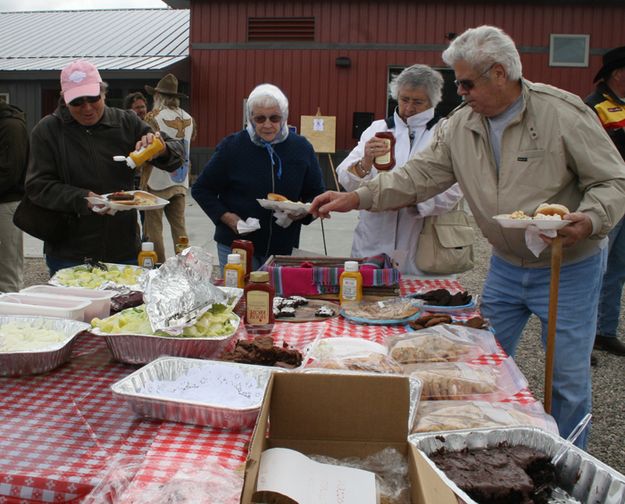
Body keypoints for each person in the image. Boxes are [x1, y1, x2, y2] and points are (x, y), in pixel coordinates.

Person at [310, 25, 625, 447]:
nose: (459, 92)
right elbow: (419, 176)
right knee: (472, 361)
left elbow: (612, 181)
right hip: (506, 266)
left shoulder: (563, 113)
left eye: (466, 82)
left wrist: (589, 219)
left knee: (565, 377)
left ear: (500, 73)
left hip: (566, 266)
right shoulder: (461, 125)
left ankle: (569, 462)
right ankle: (486, 446)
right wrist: (359, 196)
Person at [25, 59, 185, 276]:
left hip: (123, 247)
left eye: (93, 99)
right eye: (77, 102)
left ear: (104, 94)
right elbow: (37, 186)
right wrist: (85, 199)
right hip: (69, 252)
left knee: (124, 309)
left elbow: (177, 155)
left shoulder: (126, 122)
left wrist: (161, 149)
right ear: (64, 100)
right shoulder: (47, 131)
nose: (87, 108)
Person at [336, 64, 463, 274]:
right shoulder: (378, 129)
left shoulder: (444, 133)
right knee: (369, 300)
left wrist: (412, 202)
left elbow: (456, 186)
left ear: (432, 101)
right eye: (404, 99)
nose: (409, 108)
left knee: (416, 301)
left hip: (419, 239)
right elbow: (345, 179)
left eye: (418, 102)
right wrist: (365, 162)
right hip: (372, 239)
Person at [192, 83, 325, 270]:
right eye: (260, 118)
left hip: (283, 246)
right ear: (250, 118)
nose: (267, 124)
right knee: (240, 297)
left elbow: (316, 193)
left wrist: (302, 213)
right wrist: (229, 218)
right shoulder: (232, 147)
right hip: (236, 245)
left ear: (284, 117)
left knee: (277, 298)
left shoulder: (301, 148)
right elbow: (202, 189)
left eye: (274, 118)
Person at [586, 46, 625, 358]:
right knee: (593, 270)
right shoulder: (594, 107)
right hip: (606, 200)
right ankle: (582, 340)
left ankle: (605, 331)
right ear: (617, 73)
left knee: (618, 268)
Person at [141, 74, 196, 262]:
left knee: (153, 228)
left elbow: (148, 148)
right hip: (180, 178)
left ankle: (158, 266)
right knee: (179, 227)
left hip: (156, 179)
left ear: (158, 96)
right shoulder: (189, 118)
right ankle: (184, 265)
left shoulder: (153, 117)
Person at [0, 101, 28, 292]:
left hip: (6, 204)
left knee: (7, 271)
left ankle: (10, 316)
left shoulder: (11, 125)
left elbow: (9, 172)